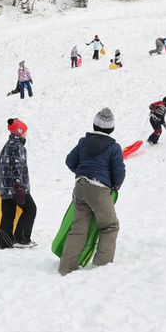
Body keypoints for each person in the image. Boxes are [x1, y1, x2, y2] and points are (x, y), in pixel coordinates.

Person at [59, 108, 125, 275]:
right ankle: (101, 268)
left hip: (80, 186)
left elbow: (69, 160)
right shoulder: (114, 147)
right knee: (110, 226)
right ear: (111, 129)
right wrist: (114, 186)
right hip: (99, 188)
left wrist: (81, 172)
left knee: (79, 227)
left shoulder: (83, 142)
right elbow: (119, 172)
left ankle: (66, 267)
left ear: (94, 125)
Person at [0, 119, 36, 249]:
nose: (26, 134)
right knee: (30, 209)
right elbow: (17, 168)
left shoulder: (7, 145)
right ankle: (22, 239)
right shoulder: (18, 146)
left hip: (5, 189)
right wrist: (20, 188)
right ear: (19, 132)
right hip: (16, 188)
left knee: (8, 214)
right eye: (24, 131)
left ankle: (4, 243)